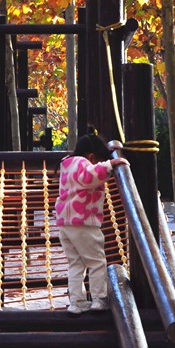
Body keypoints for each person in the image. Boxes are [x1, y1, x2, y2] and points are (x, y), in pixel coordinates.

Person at [55, 133, 128, 314]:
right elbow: (90, 176)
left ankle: (77, 302)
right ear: (92, 157)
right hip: (83, 222)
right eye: (99, 161)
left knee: (76, 264)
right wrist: (110, 164)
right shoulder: (82, 163)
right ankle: (99, 298)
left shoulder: (67, 164)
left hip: (65, 224)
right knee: (96, 262)